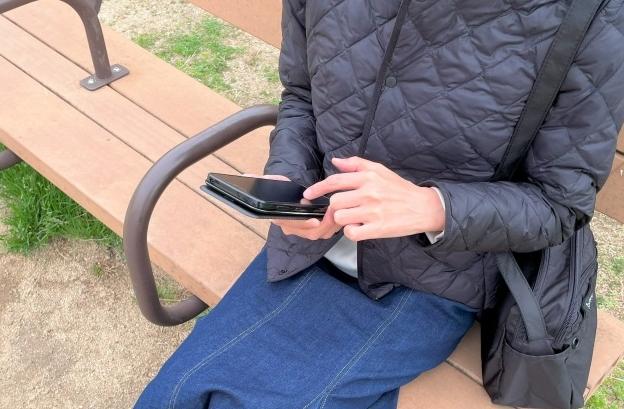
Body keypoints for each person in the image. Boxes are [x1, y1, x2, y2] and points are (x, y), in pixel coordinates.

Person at [135, 0, 624, 408]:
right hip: (309, 243)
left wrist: (432, 207)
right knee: (174, 394)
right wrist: (291, 180)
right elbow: (302, 96)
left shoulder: (593, 13)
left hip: (433, 276)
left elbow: (559, 204)